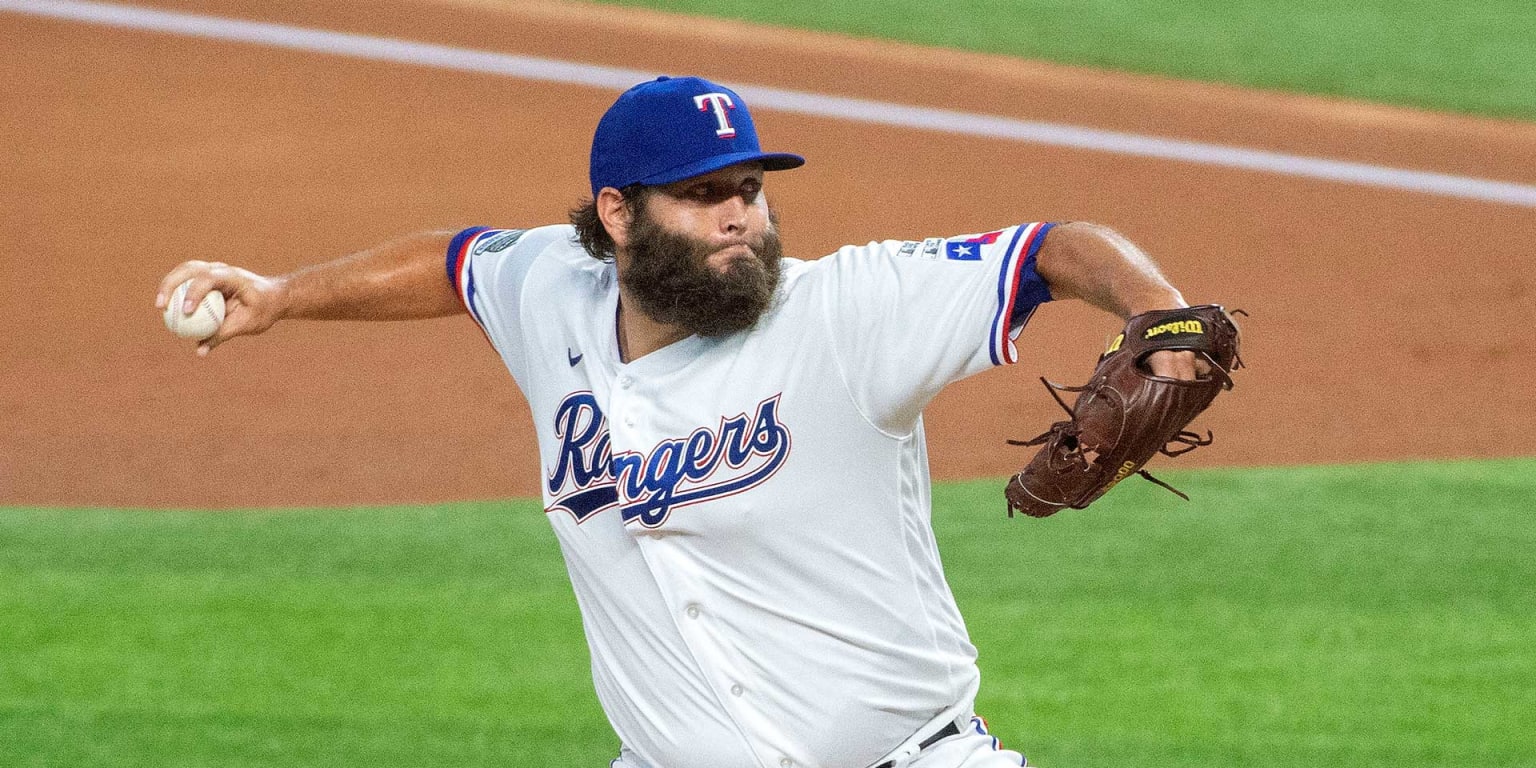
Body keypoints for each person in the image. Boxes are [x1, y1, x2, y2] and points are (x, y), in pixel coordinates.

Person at [157, 75, 1207, 768]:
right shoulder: (553, 289)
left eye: (749, 188)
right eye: (703, 195)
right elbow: (454, 262)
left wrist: (1163, 316)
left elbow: (1053, 249)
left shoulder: (845, 312)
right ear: (617, 215)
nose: (740, 216)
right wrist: (281, 295)